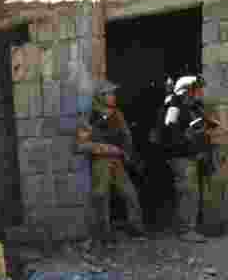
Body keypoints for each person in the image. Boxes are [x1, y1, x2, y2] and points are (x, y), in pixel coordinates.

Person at [75, 80, 147, 246]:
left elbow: (125, 137)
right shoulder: (90, 116)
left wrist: (129, 154)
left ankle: (135, 227)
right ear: (101, 96)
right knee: (101, 197)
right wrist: (106, 148)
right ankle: (103, 234)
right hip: (101, 161)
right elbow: (80, 145)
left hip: (117, 160)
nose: (113, 97)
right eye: (110, 94)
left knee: (130, 193)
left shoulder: (117, 114)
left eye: (113, 93)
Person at [158, 75, 216, 243]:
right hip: (181, 157)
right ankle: (186, 230)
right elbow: (170, 129)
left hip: (192, 155)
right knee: (189, 192)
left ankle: (188, 227)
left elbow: (199, 123)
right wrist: (188, 135)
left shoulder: (193, 106)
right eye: (196, 89)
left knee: (191, 192)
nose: (200, 92)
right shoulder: (174, 106)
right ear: (186, 91)